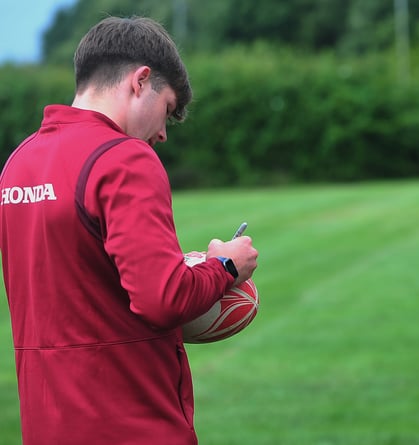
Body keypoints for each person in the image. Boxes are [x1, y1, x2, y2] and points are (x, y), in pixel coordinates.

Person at [0, 16, 258, 445]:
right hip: (130, 423)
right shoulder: (124, 158)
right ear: (141, 81)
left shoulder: (17, 165)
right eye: (168, 110)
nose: (161, 134)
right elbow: (163, 299)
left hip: (46, 426)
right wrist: (226, 266)